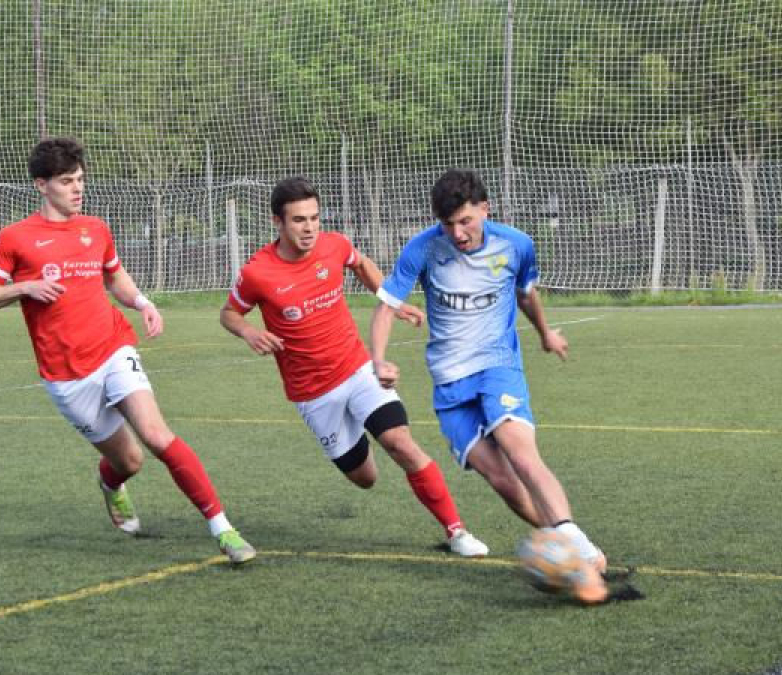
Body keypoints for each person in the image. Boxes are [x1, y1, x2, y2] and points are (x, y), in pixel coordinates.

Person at [0, 136, 255, 564]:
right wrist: (24, 287)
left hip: (112, 346)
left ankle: (224, 530)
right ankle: (111, 484)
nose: (77, 189)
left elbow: (114, 276)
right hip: (66, 375)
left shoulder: (96, 229)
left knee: (157, 435)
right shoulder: (16, 238)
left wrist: (142, 303)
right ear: (41, 185)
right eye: (67, 182)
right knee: (130, 460)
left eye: (81, 180)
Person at [220, 177, 489, 557]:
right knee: (364, 478)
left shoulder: (335, 245)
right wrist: (248, 330)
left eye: (314, 218)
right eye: (299, 220)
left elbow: (360, 264)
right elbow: (229, 313)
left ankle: (456, 532)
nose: (310, 228)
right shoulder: (258, 273)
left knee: (400, 443)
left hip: (357, 369)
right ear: (277, 223)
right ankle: (359, 434)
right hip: (312, 393)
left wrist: (390, 300)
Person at [370, 169, 607, 597]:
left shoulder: (515, 244)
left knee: (519, 452)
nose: (458, 233)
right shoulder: (422, 249)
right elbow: (386, 307)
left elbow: (525, 294)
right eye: (449, 225)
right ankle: (568, 551)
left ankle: (578, 546)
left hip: (498, 366)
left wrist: (544, 333)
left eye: (466, 221)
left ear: (484, 209)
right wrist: (379, 359)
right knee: (501, 479)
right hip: (449, 384)